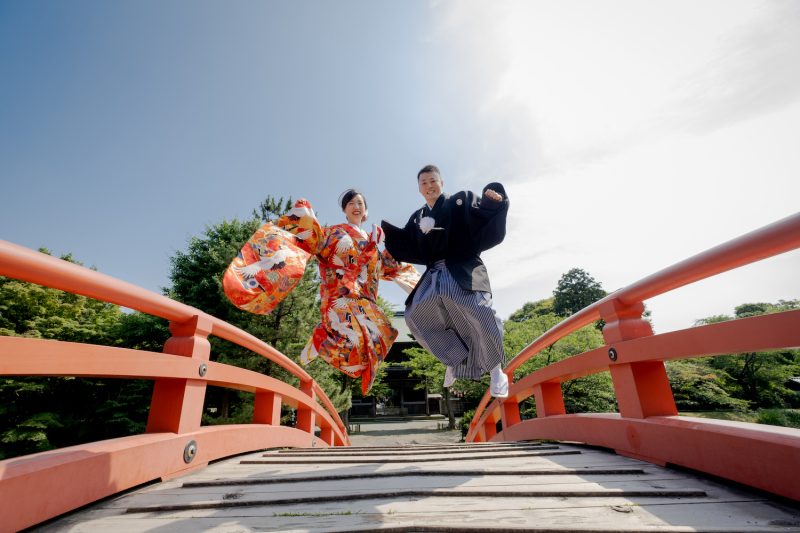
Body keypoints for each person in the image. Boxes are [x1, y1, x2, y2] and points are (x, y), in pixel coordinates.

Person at [381, 165, 510, 398]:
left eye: (433, 181)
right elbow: (407, 244)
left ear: (441, 183)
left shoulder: (461, 201)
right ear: (419, 189)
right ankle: (453, 358)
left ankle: (496, 371)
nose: (429, 186)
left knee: (480, 312)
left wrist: (493, 202)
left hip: (461, 266)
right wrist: (388, 238)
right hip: (434, 274)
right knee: (414, 316)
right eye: (424, 183)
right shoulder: (417, 217)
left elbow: (482, 215)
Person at [274, 190, 420, 395]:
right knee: (349, 338)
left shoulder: (374, 240)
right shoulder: (333, 232)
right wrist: (303, 217)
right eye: (351, 203)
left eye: (360, 203)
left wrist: (386, 244)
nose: (356, 206)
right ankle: (320, 338)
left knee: (383, 334)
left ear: (366, 212)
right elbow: (313, 241)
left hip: (365, 299)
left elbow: (391, 266)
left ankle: (324, 338)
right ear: (344, 210)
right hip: (338, 295)